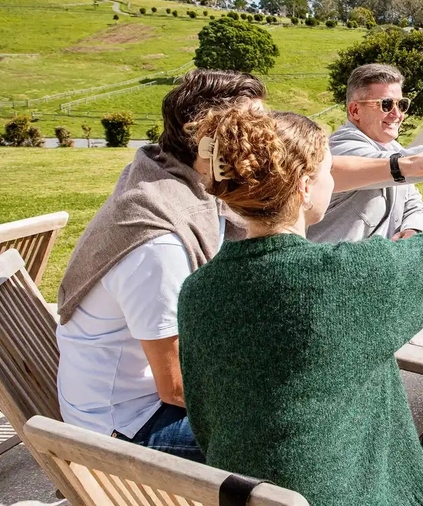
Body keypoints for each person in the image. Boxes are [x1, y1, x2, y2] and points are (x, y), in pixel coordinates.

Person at [177, 102, 423, 506]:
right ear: (305, 187)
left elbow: (203, 418)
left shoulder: (198, 291)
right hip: (350, 496)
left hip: (254, 495)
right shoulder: (344, 278)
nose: (333, 181)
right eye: (329, 171)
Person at [53, 69, 267, 463]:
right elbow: (175, 388)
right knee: (292, 442)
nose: (267, 142)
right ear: (209, 145)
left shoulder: (174, 181)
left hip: (141, 400)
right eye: (253, 129)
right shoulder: (159, 245)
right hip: (127, 426)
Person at [307, 64, 423, 243]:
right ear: (355, 111)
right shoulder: (340, 148)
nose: (397, 114)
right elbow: (396, 164)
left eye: (401, 104)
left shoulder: (393, 148)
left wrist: (413, 229)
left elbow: (414, 204)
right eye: (386, 104)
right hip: (337, 260)